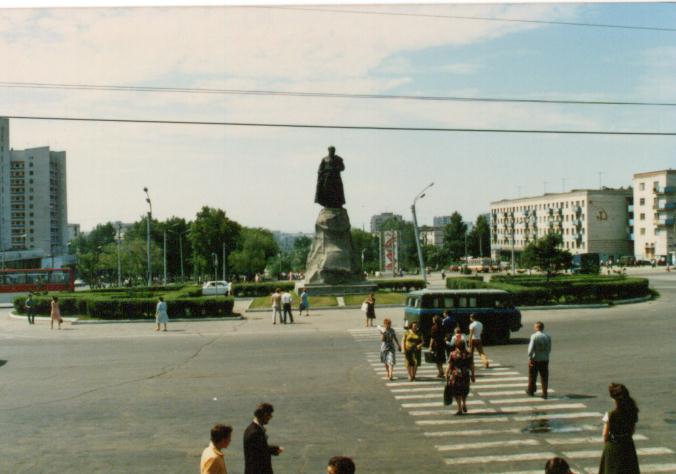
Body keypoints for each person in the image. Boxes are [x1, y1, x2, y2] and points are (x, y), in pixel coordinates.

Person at [598, 383, 640, 474]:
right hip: (628, 445)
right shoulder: (633, 411)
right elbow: (632, 430)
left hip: (613, 445)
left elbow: (605, 435)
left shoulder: (610, 414)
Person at [243, 403, 283, 474]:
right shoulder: (255, 433)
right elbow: (260, 455)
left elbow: (260, 448)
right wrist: (274, 450)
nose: (270, 417)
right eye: (270, 415)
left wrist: (274, 449)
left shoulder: (250, 429)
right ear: (265, 415)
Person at [444, 339, 475, 415]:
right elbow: (471, 365)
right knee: (464, 390)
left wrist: (446, 374)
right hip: (465, 374)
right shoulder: (468, 354)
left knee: (456, 392)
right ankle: (464, 403)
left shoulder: (453, 354)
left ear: (456, 346)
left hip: (456, 375)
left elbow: (450, 365)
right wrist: (473, 375)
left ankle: (459, 409)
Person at [527, 321, 551, 399]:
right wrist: (546, 355)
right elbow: (549, 348)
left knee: (532, 375)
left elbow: (530, 349)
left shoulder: (534, 336)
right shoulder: (547, 336)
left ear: (536, 327)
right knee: (544, 376)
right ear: (542, 328)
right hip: (545, 359)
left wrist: (530, 358)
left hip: (535, 359)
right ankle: (544, 393)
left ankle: (531, 390)